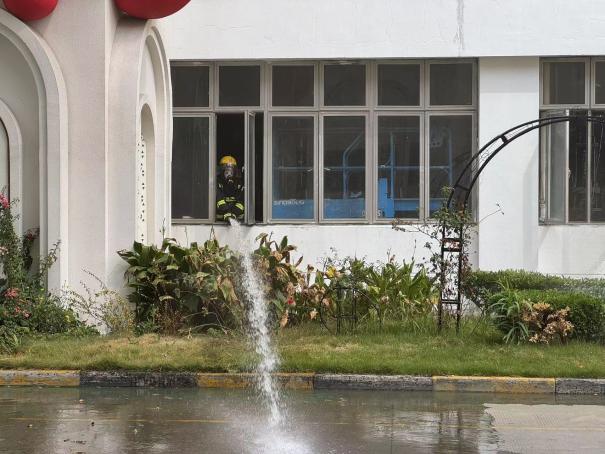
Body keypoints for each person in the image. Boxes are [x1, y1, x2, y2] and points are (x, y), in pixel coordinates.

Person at [216, 155, 244, 222]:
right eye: (227, 171)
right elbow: (219, 199)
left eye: (231, 171)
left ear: (234, 171)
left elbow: (242, 201)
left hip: (238, 219)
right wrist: (226, 211)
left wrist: (234, 213)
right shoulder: (217, 183)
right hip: (219, 220)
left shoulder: (239, 184)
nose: (229, 174)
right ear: (222, 171)